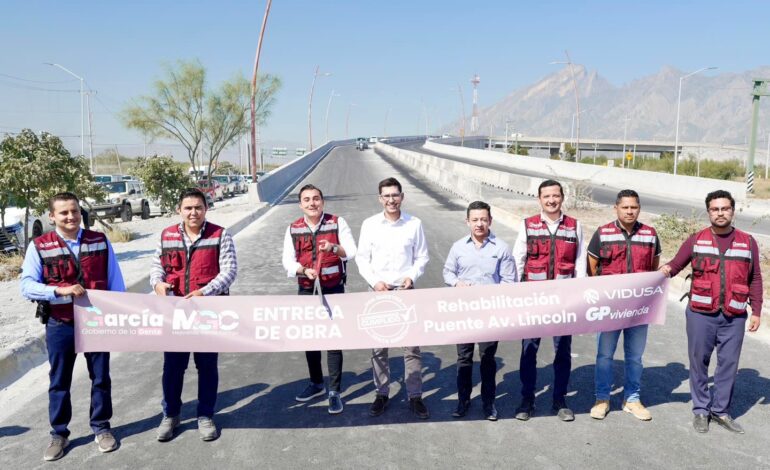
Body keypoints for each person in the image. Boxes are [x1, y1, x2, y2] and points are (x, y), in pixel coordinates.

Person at [20, 192, 125, 461]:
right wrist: (60, 290)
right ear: (52, 216)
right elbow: (27, 285)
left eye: (75, 211)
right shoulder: (39, 245)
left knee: (101, 378)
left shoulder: (99, 240)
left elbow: (116, 283)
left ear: (81, 212)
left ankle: (101, 428)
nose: (71, 217)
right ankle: (59, 433)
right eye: (64, 213)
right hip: (60, 323)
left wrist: (119, 317)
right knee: (59, 381)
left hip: (96, 321)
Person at [660, 190, 762, 434]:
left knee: (728, 364)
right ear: (709, 212)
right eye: (715, 209)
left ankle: (721, 411)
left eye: (725, 208)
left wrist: (756, 311)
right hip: (700, 314)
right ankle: (701, 410)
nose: (720, 213)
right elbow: (674, 266)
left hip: (734, 315)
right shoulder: (696, 240)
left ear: (732, 211)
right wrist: (653, 275)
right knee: (699, 362)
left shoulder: (748, 242)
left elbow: (755, 277)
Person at [150, 188, 238, 442]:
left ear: (206, 209)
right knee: (173, 367)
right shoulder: (166, 236)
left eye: (198, 207)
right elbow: (157, 266)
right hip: (176, 314)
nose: (193, 212)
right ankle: (171, 415)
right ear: (179, 210)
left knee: (207, 366)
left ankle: (205, 415)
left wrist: (206, 292)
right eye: (188, 208)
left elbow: (229, 271)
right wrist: (158, 284)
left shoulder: (220, 235)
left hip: (208, 311)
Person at [512, 179, 587, 422]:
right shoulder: (527, 225)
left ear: (562, 197)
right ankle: (527, 400)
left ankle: (560, 400)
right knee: (528, 350)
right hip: (533, 300)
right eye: (546, 196)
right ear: (539, 199)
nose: (551, 200)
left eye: (556, 196)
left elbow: (580, 263)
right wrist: (516, 295)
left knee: (563, 352)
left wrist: (578, 296)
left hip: (563, 302)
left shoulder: (575, 226)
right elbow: (517, 260)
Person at [356, 177, 430, 419]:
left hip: (405, 292)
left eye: (395, 195)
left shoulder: (414, 224)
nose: (391, 200)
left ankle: (415, 396)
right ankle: (382, 393)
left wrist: (412, 276)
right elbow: (361, 259)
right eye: (386, 196)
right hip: (378, 291)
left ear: (402, 197)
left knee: (412, 348)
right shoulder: (369, 225)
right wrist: (375, 282)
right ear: (380, 198)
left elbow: (422, 257)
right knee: (379, 348)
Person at [281, 184, 357, 414]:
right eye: (307, 200)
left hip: (333, 288)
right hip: (306, 289)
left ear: (322, 201)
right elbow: (287, 260)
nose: (312, 203)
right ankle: (316, 383)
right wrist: (303, 270)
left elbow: (352, 251)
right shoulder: (293, 228)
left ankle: (334, 391)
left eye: (316, 199)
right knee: (310, 339)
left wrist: (334, 248)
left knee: (333, 340)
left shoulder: (337, 222)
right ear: (300, 204)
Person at [587, 189, 661, 421]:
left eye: (634, 207)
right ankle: (602, 398)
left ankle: (632, 399)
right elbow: (592, 268)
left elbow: (654, 267)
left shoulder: (650, 234)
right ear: (616, 208)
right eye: (625, 207)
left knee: (635, 357)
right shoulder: (603, 233)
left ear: (639, 208)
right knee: (604, 355)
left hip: (639, 309)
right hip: (609, 308)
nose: (630, 211)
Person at [443, 201, 517, 421]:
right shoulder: (458, 247)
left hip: (489, 314)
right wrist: (457, 284)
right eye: (475, 220)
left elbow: (509, 280)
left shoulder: (501, 247)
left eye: (484, 219)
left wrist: (494, 298)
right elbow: (448, 273)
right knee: (464, 358)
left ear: (490, 221)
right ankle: (463, 401)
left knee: (487, 359)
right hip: (464, 312)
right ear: (467, 222)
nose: (479, 224)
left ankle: (488, 403)